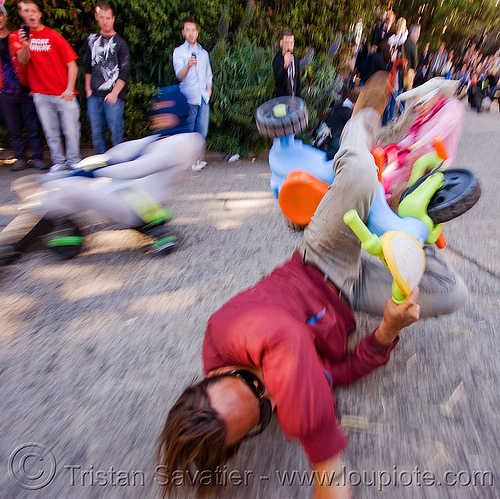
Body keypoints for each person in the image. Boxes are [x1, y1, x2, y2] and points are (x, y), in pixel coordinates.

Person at [157, 73, 467, 499]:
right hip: (352, 293)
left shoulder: (223, 333)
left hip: (321, 258)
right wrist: (388, 330)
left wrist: (325, 461)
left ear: (212, 374)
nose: (267, 387)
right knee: (450, 294)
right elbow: (342, 371)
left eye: (250, 382)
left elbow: (284, 340)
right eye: (265, 407)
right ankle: (398, 211)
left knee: (358, 172)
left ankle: (362, 124)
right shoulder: (284, 392)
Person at [0, 86, 204, 265]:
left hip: (140, 206)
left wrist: (91, 173)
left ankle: (12, 247)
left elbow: (138, 168)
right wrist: (84, 168)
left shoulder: (185, 141)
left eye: (162, 107)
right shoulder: (163, 137)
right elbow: (119, 153)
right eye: (157, 107)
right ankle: (58, 227)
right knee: (52, 188)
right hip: (127, 194)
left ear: (177, 110)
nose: (156, 111)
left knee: (67, 190)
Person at [16, 0, 80, 172]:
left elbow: (72, 65)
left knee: (71, 132)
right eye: (26, 11)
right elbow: (23, 60)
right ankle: (59, 162)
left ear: (39, 14)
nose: (31, 14)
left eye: (34, 11)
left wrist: (69, 88)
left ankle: (74, 162)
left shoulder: (53, 36)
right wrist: (25, 45)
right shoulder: (20, 37)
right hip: (41, 95)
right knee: (51, 133)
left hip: (63, 93)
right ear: (21, 14)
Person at [0, 4, 45, 171]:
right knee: (14, 129)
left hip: (25, 89)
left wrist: (25, 45)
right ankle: (20, 158)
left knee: (33, 127)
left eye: (0, 15)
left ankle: (37, 157)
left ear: (5, 17)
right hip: (4, 92)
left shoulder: (14, 37)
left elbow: (24, 60)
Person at [84, 1, 130, 154]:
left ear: (113, 18)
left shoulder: (120, 43)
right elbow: (87, 67)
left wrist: (115, 93)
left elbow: (125, 71)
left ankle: (118, 164)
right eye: (102, 17)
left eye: (108, 17)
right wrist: (88, 91)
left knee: (116, 131)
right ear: (97, 17)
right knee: (96, 134)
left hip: (113, 97)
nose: (105, 21)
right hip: (94, 96)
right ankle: (101, 164)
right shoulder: (91, 40)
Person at [173, 17, 212, 171]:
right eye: (187, 30)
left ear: (197, 32)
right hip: (188, 96)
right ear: (183, 32)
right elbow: (179, 75)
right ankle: (188, 161)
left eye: (193, 30)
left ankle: (197, 160)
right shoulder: (179, 52)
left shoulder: (203, 53)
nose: (191, 33)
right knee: (189, 130)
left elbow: (208, 73)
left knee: (202, 130)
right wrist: (188, 65)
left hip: (203, 96)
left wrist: (209, 88)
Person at [272, 30, 301, 98]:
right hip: (282, 101)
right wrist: (285, 66)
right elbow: (279, 81)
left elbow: (298, 83)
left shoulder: (295, 60)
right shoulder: (277, 60)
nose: (289, 46)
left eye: (291, 43)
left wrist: (300, 101)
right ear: (281, 43)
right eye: (287, 43)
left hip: (294, 101)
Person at [402, 24, 420, 90]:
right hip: (408, 71)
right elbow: (414, 60)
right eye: (418, 32)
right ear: (412, 33)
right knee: (404, 93)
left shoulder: (405, 41)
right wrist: (414, 70)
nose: (418, 35)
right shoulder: (413, 45)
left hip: (401, 68)